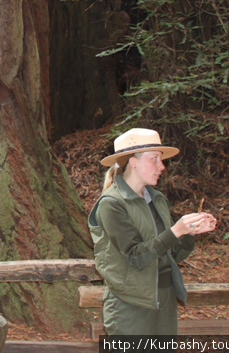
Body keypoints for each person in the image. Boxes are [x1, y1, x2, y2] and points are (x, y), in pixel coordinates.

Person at [88, 128, 217, 336]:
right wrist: (176, 230)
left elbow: (171, 254)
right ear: (133, 162)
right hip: (131, 305)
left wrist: (190, 233)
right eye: (155, 159)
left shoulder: (157, 199)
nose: (162, 166)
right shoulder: (112, 204)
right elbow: (136, 257)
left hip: (164, 300)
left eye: (161, 159)